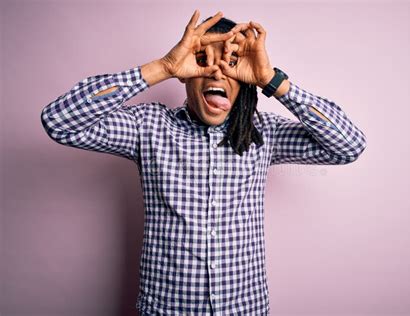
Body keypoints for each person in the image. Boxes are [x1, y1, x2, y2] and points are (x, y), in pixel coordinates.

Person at [40, 9, 367, 316]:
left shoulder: (261, 132)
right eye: (201, 60)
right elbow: (60, 121)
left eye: (231, 63)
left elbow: (348, 145)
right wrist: (163, 67)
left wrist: (272, 80)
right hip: (166, 308)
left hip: (245, 307)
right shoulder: (149, 127)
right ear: (185, 75)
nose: (216, 71)